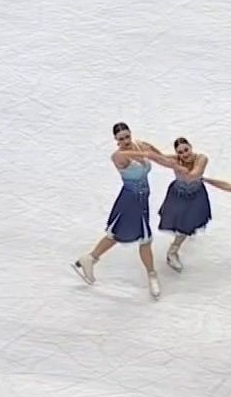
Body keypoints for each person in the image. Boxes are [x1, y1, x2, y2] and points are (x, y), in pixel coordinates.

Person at [73, 122, 162, 299]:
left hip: (141, 201)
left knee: (118, 234)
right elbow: (140, 156)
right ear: (115, 140)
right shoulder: (118, 156)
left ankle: (90, 259)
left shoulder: (141, 145)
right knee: (143, 238)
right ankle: (152, 275)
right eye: (121, 139)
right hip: (130, 201)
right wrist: (147, 153)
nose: (125, 141)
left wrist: (180, 162)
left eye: (127, 136)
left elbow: (162, 158)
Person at [144, 137, 212, 271]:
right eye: (180, 152)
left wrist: (175, 166)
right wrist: (146, 147)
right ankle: (172, 252)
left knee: (188, 223)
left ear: (191, 147)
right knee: (182, 224)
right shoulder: (175, 160)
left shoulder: (201, 158)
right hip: (178, 195)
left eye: (186, 150)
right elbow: (158, 156)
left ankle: (174, 248)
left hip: (196, 195)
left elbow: (193, 175)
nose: (184, 154)